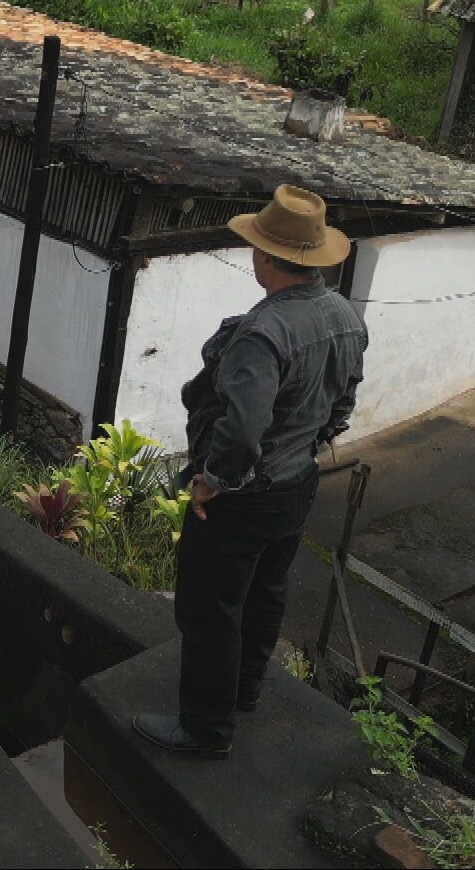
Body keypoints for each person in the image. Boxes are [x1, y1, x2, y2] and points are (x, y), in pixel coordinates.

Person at [134, 184, 367, 760]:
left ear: (266, 258)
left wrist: (213, 480)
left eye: (255, 248)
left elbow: (241, 430)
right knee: (266, 593)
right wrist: (310, 442)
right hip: (295, 486)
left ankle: (205, 729)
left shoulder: (261, 334)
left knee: (210, 609)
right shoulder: (343, 315)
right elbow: (344, 400)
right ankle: (244, 693)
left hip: (245, 496)